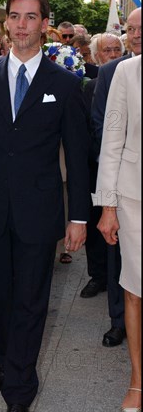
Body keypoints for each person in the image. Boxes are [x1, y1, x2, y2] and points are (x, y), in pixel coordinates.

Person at [0, 0, 90, 412]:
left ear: (44, 24)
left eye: (31, 17)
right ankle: (3, 358)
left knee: (31, 302)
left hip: (39, 211)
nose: (20, 26)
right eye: (14, 16)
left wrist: (79, 217)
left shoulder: (65, 84)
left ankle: (19, 392)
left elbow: (77, 154)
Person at [93, 55, 141, 412]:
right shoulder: (128, 71)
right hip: (133, 198)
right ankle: (138, 380)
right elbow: (112, 140)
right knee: (135, 289)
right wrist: (107, 206)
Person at [91, 7, 141, 347]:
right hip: (130, 193)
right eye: (131, 28)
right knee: (128, 275)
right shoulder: (120, 72)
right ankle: (119, 325)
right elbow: (107, 135)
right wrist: (107, 202)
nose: (136, 34)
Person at [80, 33, 125, 306]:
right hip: (97, 166)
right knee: (97, 220)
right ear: (97, 57)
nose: (112, 54)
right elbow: (89, 125)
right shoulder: (89, 86)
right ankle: (98, 275)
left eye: (116, 50)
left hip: (127, 167)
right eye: (107, 50)